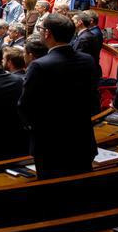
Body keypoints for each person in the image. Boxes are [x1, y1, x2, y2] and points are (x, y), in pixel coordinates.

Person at [20, 13, 99, 178]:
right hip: (82, 138)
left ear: (47, 33)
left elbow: (26, 105)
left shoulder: (39, 65)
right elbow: (92, 99)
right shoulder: (87, 60)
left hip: (50, 144)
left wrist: (33, 128)